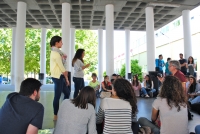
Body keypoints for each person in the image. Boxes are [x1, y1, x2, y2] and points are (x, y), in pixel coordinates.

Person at [50, 36, 70, 120]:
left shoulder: (57, 53)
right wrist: (66, 77)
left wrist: (66, 78)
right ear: (56, 43)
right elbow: (62, 68)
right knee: (57, 96)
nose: (62, 43)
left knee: (67, 93)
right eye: (61, 42)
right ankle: (55, 114)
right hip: (57, 76)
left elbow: (62, 68)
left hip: (60, 76)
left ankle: (62, 110)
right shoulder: (56, 54)